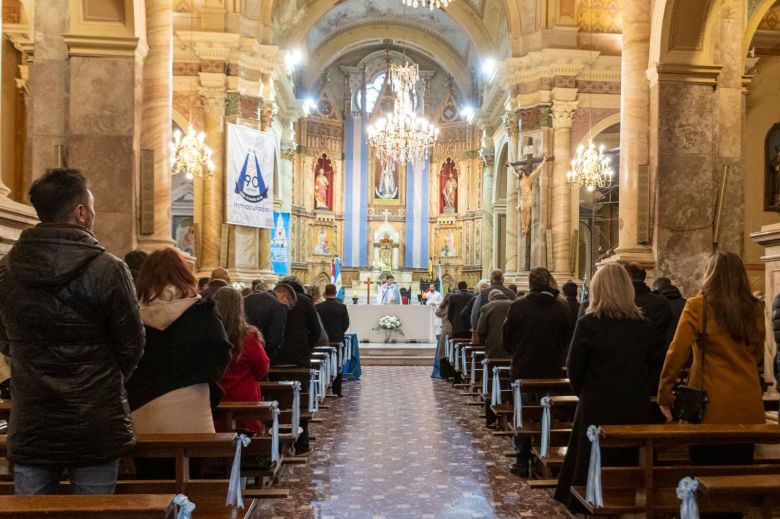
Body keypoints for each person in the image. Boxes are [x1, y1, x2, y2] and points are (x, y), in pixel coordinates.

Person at [0, 168, 145, 495]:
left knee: (31, 518)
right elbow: (132, 345)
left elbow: (4, 338)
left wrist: (34, 366)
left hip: (33, 418)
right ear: (80, 212)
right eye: (91, 204)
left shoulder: (6, 269)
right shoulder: (110, 269)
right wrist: (101, 381)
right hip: (94, 420)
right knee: (95, 514)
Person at [657, 251, 765, 519]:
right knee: (737, 479)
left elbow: (676, 353)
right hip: (747, 406)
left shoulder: (698, 305)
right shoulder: (754, 307)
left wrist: (665, 394)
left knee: (705, 479)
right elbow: (758, 353)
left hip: (709, 407)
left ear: (710, 274)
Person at [554, 263, 657, 512]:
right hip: (634, 404)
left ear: (598, 290)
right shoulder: (644, 325)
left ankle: (586, 500)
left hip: (597, 404)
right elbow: (653, 365)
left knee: (589, 457)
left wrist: (586, 392)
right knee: (628, 458)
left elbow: (574, 365)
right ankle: (632, 499)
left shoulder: (589, 323)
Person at [126, 248, 232, 477]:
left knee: (150, 483)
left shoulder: (131, 314)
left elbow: (122, 357)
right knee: (190, 483)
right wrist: (201, 379)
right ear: (183, 275)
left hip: (143, 409)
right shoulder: (201, 311)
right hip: (191, 409)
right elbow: (221, 352)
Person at [502, 267, 572, 476]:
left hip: (524, 368)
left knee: (524, 413)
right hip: (552, 369)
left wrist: (519, 351)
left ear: (531, 284)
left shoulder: (518, 306)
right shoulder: (562, 308)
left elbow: (507, 339)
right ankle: (552, 454)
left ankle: (523, 460)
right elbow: (567, 338)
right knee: (550, 412)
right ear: (549, 282)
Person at [213, 287, 270, 433]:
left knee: (217, 437)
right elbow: (262, 367)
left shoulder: (207, 333)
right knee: (246, 436)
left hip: (216, 396)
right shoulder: (248, 336)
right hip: (244, 396)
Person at [624, 262, 672, 395]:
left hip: (625, 370)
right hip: (653, 369)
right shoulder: (661, 303)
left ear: (625, 278)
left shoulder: (622, 302)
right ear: (644, 277)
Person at [476, 289, 512, 427]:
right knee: (510, 382)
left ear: (491, 298)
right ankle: (510, 415)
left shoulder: (487, 307)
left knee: (491, 382)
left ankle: (490, 419)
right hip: (511, 352)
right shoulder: (514, 304)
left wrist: (486, 340)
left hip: (494, 351)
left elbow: (480, 330)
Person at [273, 277, 321, 368]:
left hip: (277, 355)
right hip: (298, 354)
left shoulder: (273, 299)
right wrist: (306, 346)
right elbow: (316, 331)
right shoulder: (306, 301)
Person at [244, 284, 294, 363]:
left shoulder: (247, 298)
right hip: (261, 355)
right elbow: (275, 339)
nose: (287, 308)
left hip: (242, 352)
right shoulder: (279, 306)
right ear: (283, 296)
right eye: (289, 305)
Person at [653, 276, 687, 344]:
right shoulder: (685, 302)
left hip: (661, 347)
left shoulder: (655, 303)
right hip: (682, 345)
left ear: (655, 288)